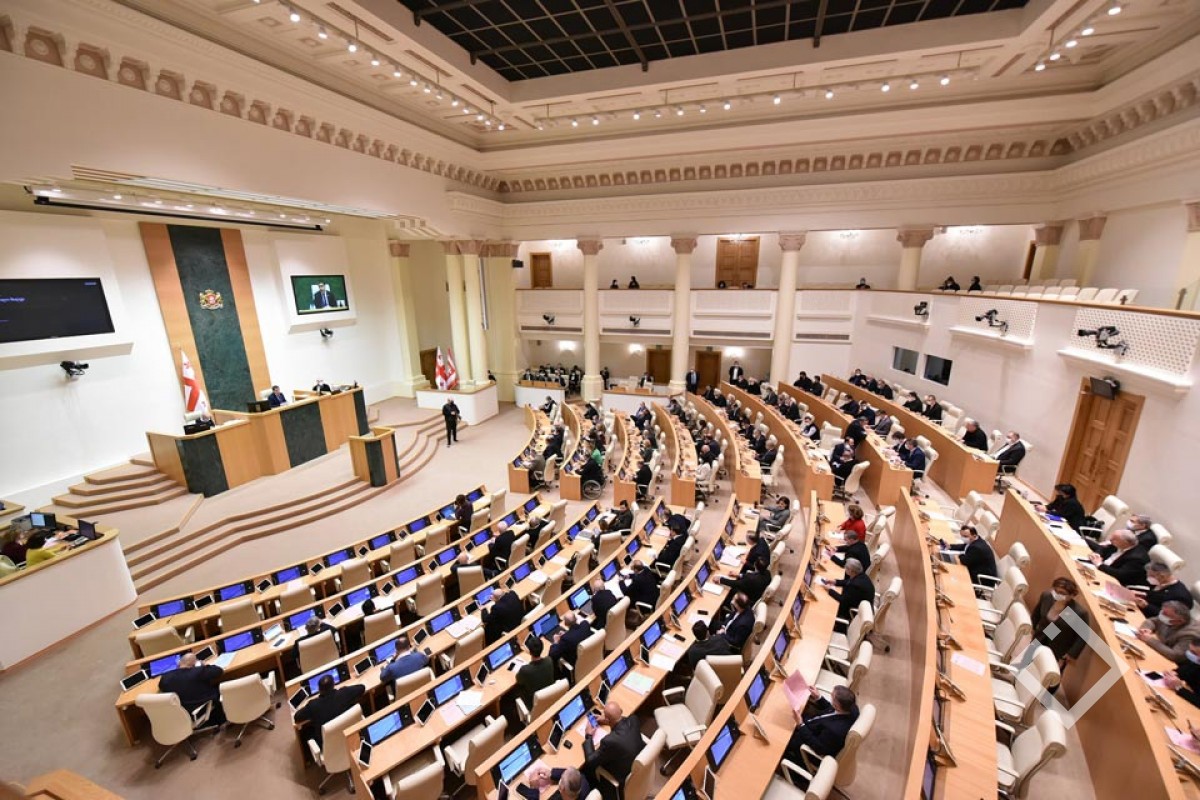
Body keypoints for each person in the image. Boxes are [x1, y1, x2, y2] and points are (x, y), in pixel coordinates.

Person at [1026, 577, 1090, 674]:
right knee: (1027, 664)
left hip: (1058, 647)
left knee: (1047, 672)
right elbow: (1036, 614)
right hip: (1040, 637)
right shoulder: (1046, 597)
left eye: (1062, 593)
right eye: (1055, 590)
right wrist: (1033, 628)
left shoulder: (1078, 612)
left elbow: (1083, 635)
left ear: (1072, 595)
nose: (1057, 594)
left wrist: (1070, 654)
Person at [582, 703, 642, 800]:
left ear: (607, 719)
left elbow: (590, 761)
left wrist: (588, 735)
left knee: (585, 770)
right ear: (621, 711)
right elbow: (623, 721)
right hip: (635, 766)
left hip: (621, 776)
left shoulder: (610, 741)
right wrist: (608, 721)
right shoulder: (634, 720)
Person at [784, 686, 860, 761]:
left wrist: (801, 725)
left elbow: (818, 747)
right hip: (813, 724)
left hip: (807, 741)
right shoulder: (852, 708)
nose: (830, 695)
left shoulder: (834, 731)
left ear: (838, 705)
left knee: (783, 736)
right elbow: (831, 710)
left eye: (832, 696)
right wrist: (818, 697)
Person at [295, 674, 366, 746]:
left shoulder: (313, 705)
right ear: (333, 685)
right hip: (351, 736)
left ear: (319, 689)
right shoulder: (344, 693)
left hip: (329, 745)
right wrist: (345, 689)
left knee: (307, 732)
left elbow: (297, 717)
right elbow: (362, 688)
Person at [159, 653, 226, 726]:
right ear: (195, 664)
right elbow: (219, 671)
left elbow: (162, 687)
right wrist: (204, 665)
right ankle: (222, 718)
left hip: (181, 712)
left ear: (179, 663)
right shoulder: (199, 671)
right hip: (202, 708)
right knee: (220, 686)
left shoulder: (165, 677)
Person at [823, 558, 875, 634]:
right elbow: (848, 582)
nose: (845, 569)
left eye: (846, 568)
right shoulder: (862, 576)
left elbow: (842, 600)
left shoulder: (856, 586)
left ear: (851, 571)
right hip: (864, 603)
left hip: (853, 610)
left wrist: (829, 590)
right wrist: (835, 582)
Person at [1086, 529, 1150, 586]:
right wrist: (1097, 554)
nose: (1110, 540)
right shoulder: (1118, 543)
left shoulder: (1137, 558)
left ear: (1125, 542)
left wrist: (1099, 564)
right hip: (1100, 569)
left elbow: (1120, 575)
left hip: (1112, 580)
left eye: (1114, 539)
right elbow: (1103, 549)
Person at [513, 636, 555, 710]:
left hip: (534, 701)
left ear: (529, 651)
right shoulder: (549, 660)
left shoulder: (525, 670)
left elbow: (518, 680)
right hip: (550, 695)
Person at [514, 766, 590, 800]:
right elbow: (576, 774)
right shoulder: (584, 784)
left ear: (561, 788)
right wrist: (551, 774)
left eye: (561, 778)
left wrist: (534, 788)